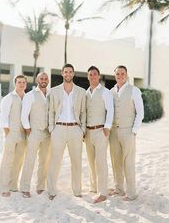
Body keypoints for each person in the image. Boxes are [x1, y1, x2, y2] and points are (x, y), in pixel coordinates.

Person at [47, 63, 86, 200]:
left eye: (70, 72)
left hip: (76, 129)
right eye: (66, 72)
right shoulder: (54, 91)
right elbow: (51, 111)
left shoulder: (81, 91)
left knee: (76, 161)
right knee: (55, 161)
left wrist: (82, 129)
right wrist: (52, 129)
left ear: (73, 74)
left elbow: (83, 112)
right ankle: (51, 190)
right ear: (62, 74)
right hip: (59, 129)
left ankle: (77, 190)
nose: (68, 74)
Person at [109, 65, 144, 201]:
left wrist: (134, 131)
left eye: (122, 73)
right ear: (115, 75)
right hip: (113, 131)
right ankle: (119, 189)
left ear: (126, 74)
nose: (120, 76)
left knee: (128, 161)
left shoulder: (134, 90)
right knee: (115, 161)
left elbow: (140, 112)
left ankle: (131, 193)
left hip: (128, 131)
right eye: (117, 74)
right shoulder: (111, 91)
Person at [85, 66, 114, 203]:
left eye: (95, 74)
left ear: (99, 76)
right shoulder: (86, 93)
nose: (92, 76)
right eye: (90, 74)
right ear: (88, 76)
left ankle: (102, 192)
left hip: (100, 131)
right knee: (91, 161)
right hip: (88, 132)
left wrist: (107, 127)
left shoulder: (105, 92)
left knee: (100, 162)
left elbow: (111, 110)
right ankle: (94, 187)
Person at [19, 72, 50, 198]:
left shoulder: (51, 94)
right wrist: (28, 130)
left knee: (44, 161)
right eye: (41, 78)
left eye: (45, 78)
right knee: (29, 160)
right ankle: (25, 187)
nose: (43, 80)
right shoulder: (30, 95)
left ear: (48, 80)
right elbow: (24, 115)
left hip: (47, 133)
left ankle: (40, 186)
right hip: (34, 132)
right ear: (37, 80)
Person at [0, 75, 27, 197]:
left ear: (26, 84)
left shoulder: (27, 98)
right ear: (15, 83)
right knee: (7, 160)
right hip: (11, 133)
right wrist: (7, 134)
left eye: (23, 82)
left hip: (23, 134)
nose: (21, 84)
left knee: (18, 161)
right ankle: (3, 187)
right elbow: (3, 118)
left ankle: (13, 185)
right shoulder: (8, 98)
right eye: (19, 82)